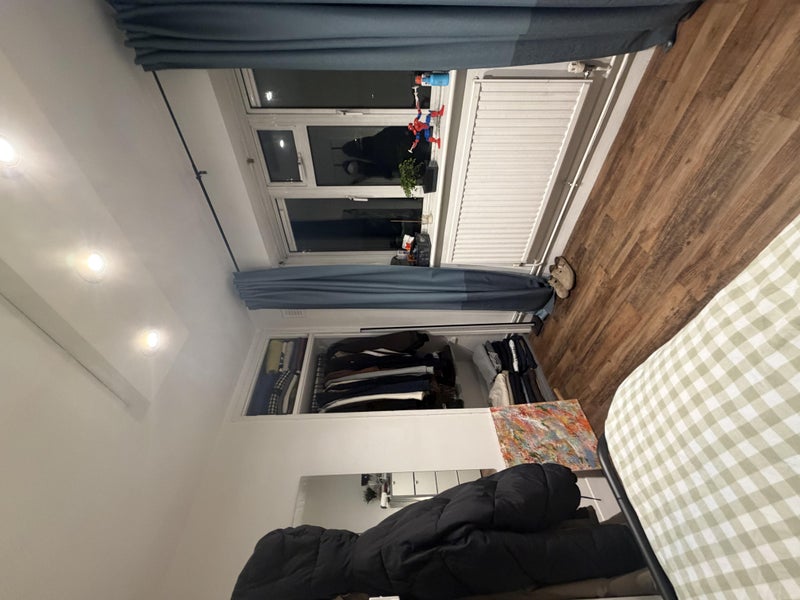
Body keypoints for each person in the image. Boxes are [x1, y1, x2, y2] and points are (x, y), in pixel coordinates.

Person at [231, 463, 645, 600]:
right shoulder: (382, 539)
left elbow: (532, 558)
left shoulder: (405, 567)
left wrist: (630, 548)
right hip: (562, 515)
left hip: (619, 546)